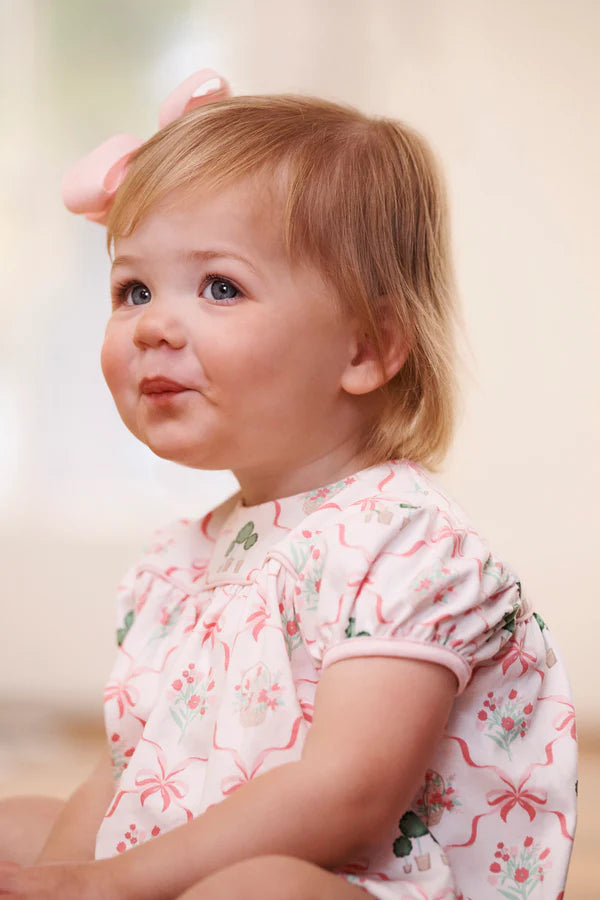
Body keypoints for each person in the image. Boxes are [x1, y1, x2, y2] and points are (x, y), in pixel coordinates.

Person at [0, 69, 577, 900]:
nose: (154, 325)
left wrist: (108, 885)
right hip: (210, 860)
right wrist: (65, 878)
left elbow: (349, 801)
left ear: (365, 350)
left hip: (376, 881)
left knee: (257, 890)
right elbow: (128, 765)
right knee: (23, 827)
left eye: (220, 287)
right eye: (133, 289)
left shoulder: (407, 547)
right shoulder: (185, 561)